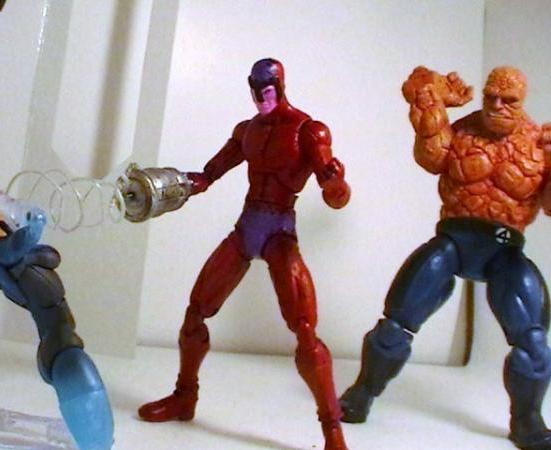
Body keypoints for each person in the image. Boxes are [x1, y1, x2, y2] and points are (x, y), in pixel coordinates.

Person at [138, 58, 351, 450]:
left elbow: (333, 190)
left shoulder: (308, 131)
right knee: (196, 311)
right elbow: (210, 173)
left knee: (305, 331)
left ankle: (332, 432)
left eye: (267, 89)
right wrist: (174, 187)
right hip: (247, 227)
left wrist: (336, 186)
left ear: (280, 85)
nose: (261, 97)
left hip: (279, 232)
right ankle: (184, 397)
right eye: (255, 89)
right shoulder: (247, 131)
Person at [339, 66, 551, 450]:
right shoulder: (465, 131)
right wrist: (429, 100)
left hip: (504, 251)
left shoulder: (539, 144)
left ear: (523, 101)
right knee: (397, 320)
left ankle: (527, 419)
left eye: (508, 101)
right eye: (491, 97)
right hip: (453, 240)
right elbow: (430, 155)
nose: (497, 106)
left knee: (534, 340)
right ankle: (363, 391)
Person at [0, 166, 114, 450]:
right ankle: (96, 443)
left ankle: (96, 442)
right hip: (58, 338)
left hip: (58, 332)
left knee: (83, 383)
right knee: (84, 383)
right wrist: (29, 215)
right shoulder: (1, 253)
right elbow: (30, 233)